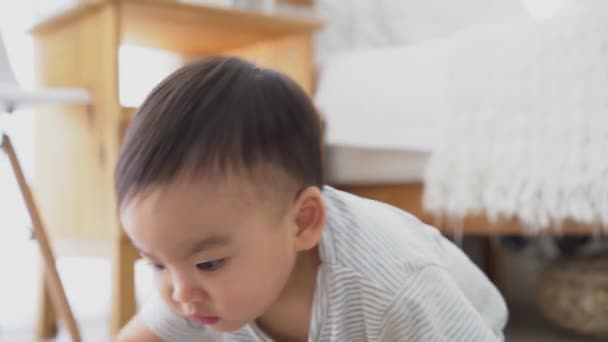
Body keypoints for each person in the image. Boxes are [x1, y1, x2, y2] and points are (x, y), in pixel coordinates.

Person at [114, 56, 507, 341]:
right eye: (156, 264)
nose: (179, 295)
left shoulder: (390, 285)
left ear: (301, 222)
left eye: (210, 262)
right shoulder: (194, 281)